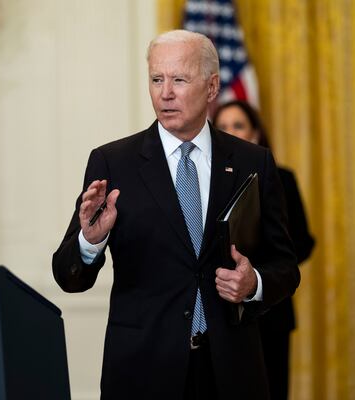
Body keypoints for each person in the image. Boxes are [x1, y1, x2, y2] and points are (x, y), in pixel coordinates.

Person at [52, 30, 300, 400]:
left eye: (179, 79)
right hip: (143, 372)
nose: (164, 93)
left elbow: (285, 266)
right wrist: (90, 240)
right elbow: (68, 277)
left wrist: (254, 285)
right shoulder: (113, 163)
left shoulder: (253, 162)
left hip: (231, 372)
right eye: (156, 79)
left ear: (212, 87)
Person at [213, 100, 315, 400]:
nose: (230, 132)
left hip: (271, 309)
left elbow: (302, 243)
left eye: (239, 125)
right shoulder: (208, 181)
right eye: (223, 126)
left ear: (256, 133)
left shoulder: (281, 178)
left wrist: (256, 274)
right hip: (221, 311)